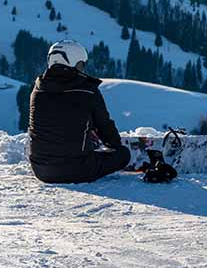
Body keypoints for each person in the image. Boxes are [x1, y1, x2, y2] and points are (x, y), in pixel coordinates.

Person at [28, 41, 131, 184]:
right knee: (124, 155)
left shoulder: (38, 89)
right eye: (81, 64)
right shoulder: (87, 90)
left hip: (40, 170)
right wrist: (117, 147)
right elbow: (104, 126)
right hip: (76, 170)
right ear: (74, 62)